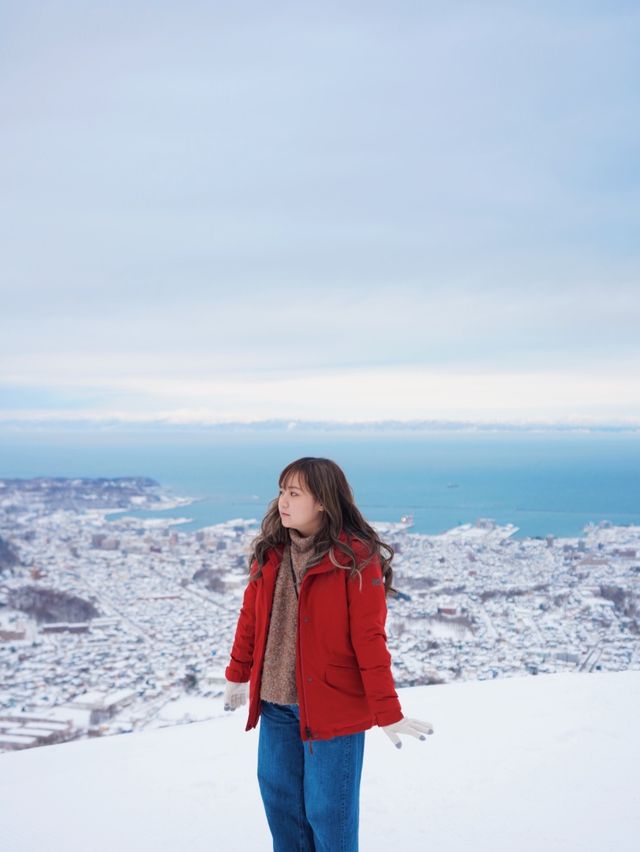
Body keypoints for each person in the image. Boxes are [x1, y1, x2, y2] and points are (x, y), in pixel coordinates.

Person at [223, 456, 434, 851]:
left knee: (328, 817)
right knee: (283, 813)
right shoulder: (271, 552)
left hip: (333, 709)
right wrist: (238, 673)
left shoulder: (355, 558)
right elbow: (250, 618)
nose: (282, 501)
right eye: (281, 491)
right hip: (276, 704)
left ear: (322, 501)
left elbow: (370, 640)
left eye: (294, 493)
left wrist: (387, 712)